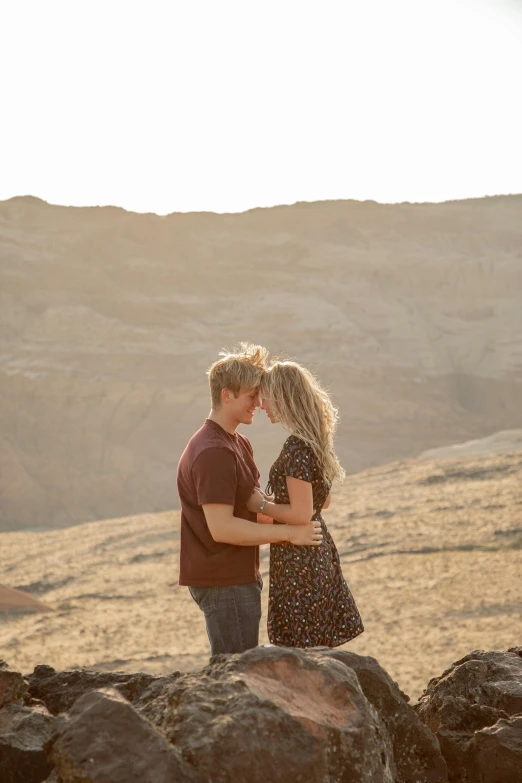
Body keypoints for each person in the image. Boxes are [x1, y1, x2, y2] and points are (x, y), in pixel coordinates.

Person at [177, 343, 323, 657]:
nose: (258, 403)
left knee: (243, 674)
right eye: (250, 396)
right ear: (226, 395)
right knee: (234, 678)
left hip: (239, 577)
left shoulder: (237, 443)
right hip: (223, 581)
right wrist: (290, 534)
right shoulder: (213, 451)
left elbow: (253, 508)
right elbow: (222, 529)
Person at [247, 359, 364, 648]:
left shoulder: (296, 446)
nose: (262, 405)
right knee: (315, 648)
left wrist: (259, 505)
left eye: (266, 397)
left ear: (283, 397)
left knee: (302, 649)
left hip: (300, 560)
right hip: (315, 552)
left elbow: (301, 513)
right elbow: (321, 504)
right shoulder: (313, 441)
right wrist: (277, 503)